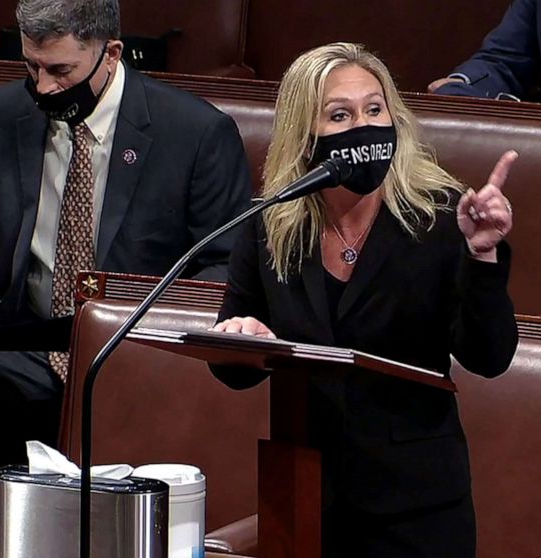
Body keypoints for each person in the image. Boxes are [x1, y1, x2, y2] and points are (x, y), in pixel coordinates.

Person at [0, 0, 252, 515]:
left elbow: (223, 269)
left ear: (111, 54)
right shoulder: (2, 114)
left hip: (132, 358)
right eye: (31, 67)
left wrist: (136, 333)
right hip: (27, 346)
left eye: (60, 70)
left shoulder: (195, 134)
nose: (43, 88)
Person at [211, 42, 519, 557]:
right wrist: (243, 338)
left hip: (416, 506)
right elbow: (232, 366)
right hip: (306, 493)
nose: (364, 126)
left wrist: (482, 256)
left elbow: (489, 357)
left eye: (375, 109)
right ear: (305, 134)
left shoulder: (439, 218)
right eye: (340, 114)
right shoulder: (271, 224)